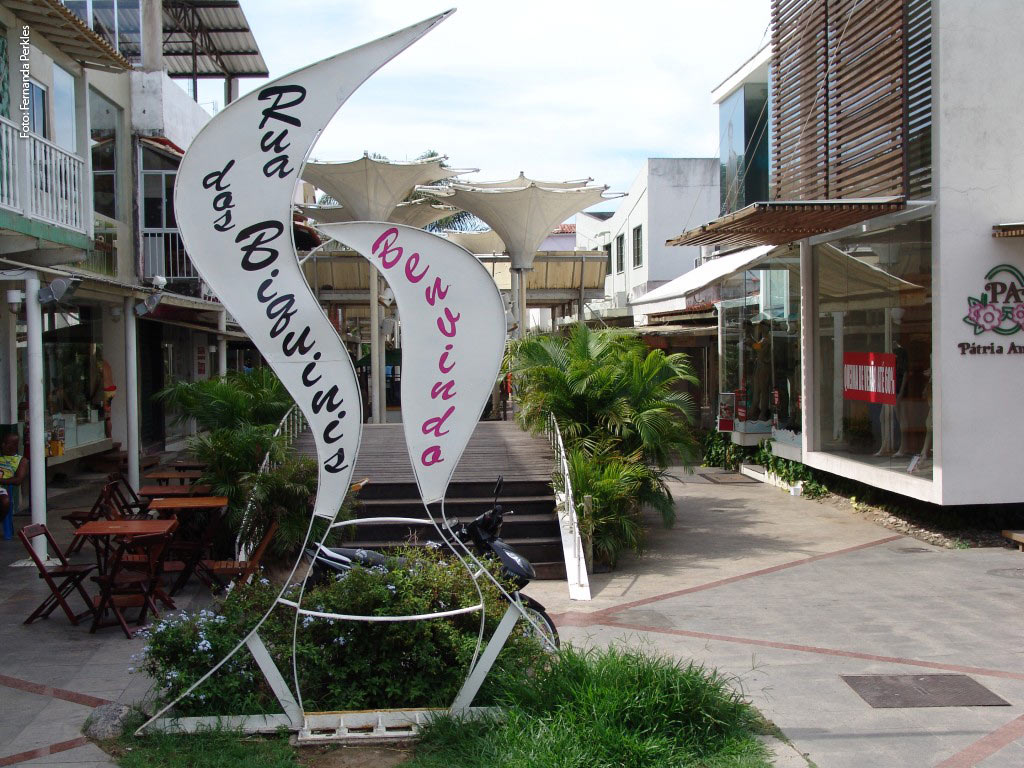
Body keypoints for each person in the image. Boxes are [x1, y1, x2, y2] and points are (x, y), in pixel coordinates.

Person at [0, 432, 27, 540]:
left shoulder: (21, 460)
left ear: (15, 445)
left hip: (4, 487)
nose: (2, 446)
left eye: (6, 443)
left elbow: (18, 480)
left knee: (5, 501)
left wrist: (1, 480)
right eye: (2, 443)